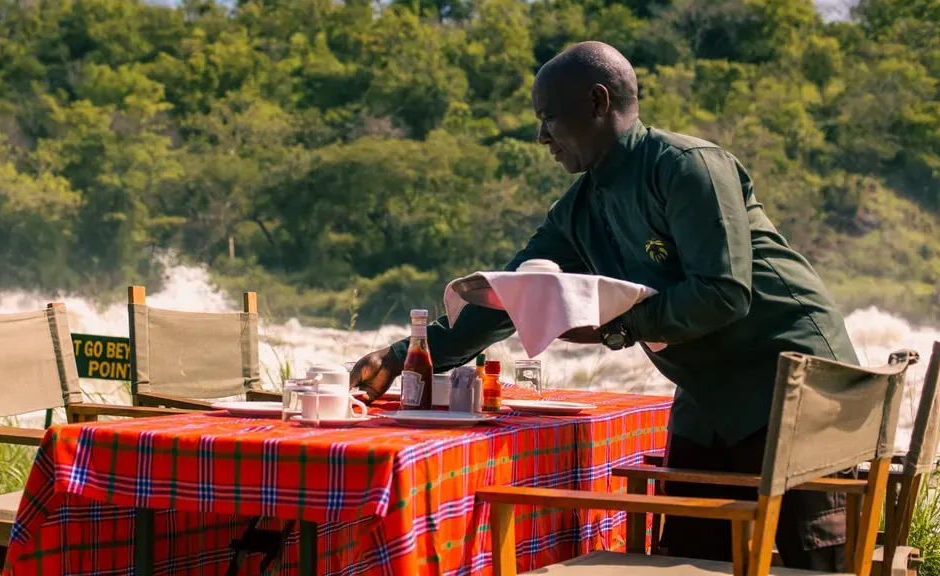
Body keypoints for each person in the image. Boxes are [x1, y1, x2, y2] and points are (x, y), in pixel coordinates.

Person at [349, 40, 859, 570]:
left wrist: (618, 329)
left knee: (813, 562)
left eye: (549, 117)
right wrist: (404, 354)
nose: (542, 137)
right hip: (708, 397)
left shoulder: (687, 167)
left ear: (597, 102)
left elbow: (723, 292)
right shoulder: (579, 208)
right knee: (686, 560)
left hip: (794, 382)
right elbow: (511, 294)